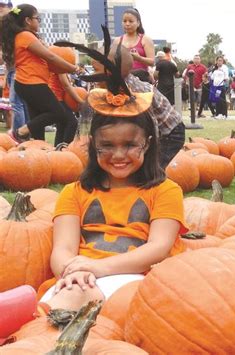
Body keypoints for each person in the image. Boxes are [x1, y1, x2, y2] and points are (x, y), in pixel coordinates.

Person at [34, 42, 187, 316]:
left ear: (149, 144)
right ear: (93, 145)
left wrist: (99, 269)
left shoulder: (166, 191)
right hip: (77, 278)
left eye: (130, 145)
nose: (119, 155)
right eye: (107, 146)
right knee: (69, 299)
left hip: (139, 280)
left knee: (92, 306)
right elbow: (62, 249)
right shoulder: (75, 192)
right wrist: (72, 271)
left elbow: (158, 247)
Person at [91, 43, 184, 168]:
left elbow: (152, 123)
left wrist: (149, 148)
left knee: (152, 168)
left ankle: (154, 181)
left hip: (170, 133)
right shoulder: (115, 88)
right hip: (157, 131)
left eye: (96, 70)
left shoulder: (135, 92)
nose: (92, 74)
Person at [0, 4, 79, 143]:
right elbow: (51, 57)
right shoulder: (25, 36)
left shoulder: (25, 36)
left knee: (38, 123)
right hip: (31, 83)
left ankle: (40, 148)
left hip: (28, 83)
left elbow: (48, 64)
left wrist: (65, 69)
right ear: (28, 20)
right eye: (37, 18)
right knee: (58, 113)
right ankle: (20, 132)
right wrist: (74, 68)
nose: (39, 22)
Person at [113, 8, 154, 74]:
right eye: (124, 21)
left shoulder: (146, 39)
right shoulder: (117, 41)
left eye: (131, 21)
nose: (127, 24)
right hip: (122, 78)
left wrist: (139, 58)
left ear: (138, 23)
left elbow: (152, 62)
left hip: (141, 79)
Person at [48, 72, 82, 146]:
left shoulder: (62, 68)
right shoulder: (60, 68)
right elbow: (67, 86)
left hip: (56, 98)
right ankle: (65, 148)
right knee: (72, 122)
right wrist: (81, 101)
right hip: (55, 98)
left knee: (62, 125)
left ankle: (58, 151)